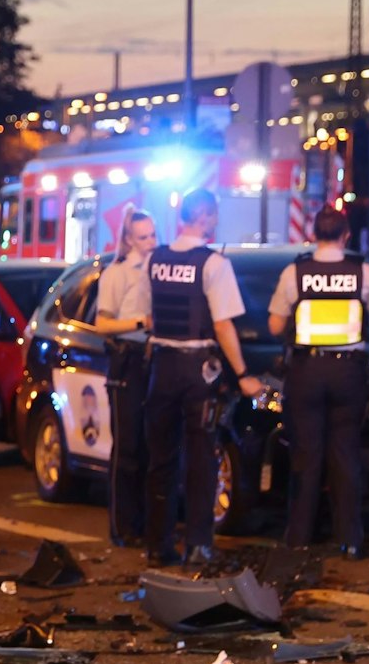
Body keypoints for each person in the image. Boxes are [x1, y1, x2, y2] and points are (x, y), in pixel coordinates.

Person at [120, 189, 264, 565]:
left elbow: (146, 314)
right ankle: (199, 546)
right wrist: (243, 374)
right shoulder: (213, 263)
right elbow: (224, 326)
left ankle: (158, 546)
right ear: (207, 217)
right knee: (201, 459)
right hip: (198, 371)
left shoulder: (155, 260)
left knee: (161, 460)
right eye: (214, 215)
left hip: (161, 368)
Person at [267, 207, 369, 557]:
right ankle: (349, 540)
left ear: (313, 234)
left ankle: (299, 538)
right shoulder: (364, 272)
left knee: (305, 455)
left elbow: (274, 325)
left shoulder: (294, 272)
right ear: (346, 235)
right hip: (348, 373)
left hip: (307, 372)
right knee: (345, 454)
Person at [94, 209, 159, 547]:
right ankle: (122, 527)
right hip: (128, 360)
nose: (151, 242)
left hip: (154, 359)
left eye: (153, 235)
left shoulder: (159, 270)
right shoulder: (117, 274)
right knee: (127, 447)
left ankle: (148, 524)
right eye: (144, 237)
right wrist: (140, 323)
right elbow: (102, 324)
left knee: (150, 447)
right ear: (129, 239)